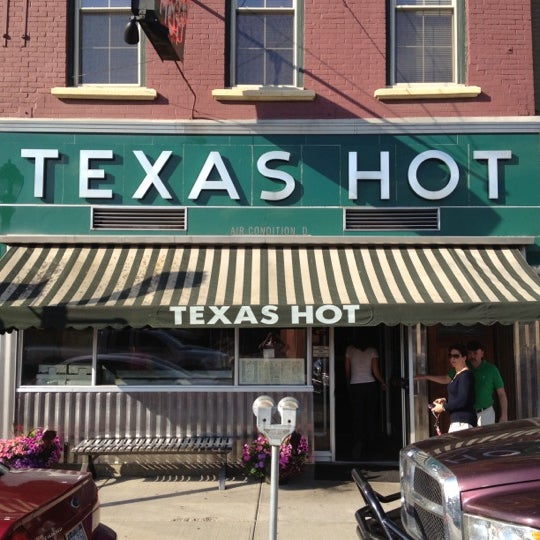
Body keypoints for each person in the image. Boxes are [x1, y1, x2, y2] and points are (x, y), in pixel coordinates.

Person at [415, 340, 508, 426]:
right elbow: (446, 379)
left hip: (485, 412)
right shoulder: (462, 367)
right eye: (470, 353)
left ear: (482, 353)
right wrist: (425, 377)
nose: (472, 356)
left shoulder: (491, 369)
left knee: (485, 438)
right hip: (468, 414)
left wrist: (504, 415)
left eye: (475, 353)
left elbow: (501, 394)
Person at [345, 343, 386, 458]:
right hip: (370, 385)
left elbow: (347, 370)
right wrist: (382, 382)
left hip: (355, 385)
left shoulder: (350, 350)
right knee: (370, 415)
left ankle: (358, 443)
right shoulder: (372, 350)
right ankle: (371, 444)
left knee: (357, 416)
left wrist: (348, 382)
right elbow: (375, 371)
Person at [431, 344, 477, 432]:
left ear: (464, 358)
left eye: (456, 356)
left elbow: (463, 401)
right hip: (458, 421)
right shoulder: (457, 375)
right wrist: (445, 400)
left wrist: (443, 407)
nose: (452, 359)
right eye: (450, 356)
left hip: (463, 422)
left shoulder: (466, 375)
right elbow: (459, 396)